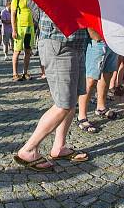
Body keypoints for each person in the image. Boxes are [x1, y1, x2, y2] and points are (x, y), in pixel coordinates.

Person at [13, 11, 90, 171]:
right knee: (63, 104)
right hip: (60, 43)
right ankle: (28, 150)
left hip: (77, 43)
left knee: (72, 98)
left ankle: (59, 147)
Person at [77, 30, 119, 133]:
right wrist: (95, 36)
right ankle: (81, 116)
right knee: (91, 79)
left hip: (112, 40)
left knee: (107, 73)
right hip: (96, 41)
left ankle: (101, 107)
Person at [11, 0, 36, 81]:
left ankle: (25, 73)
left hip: (30, 28)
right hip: (20, 28)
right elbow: (13, 16)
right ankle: (15, 73)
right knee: (17, 51)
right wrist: (14, 30)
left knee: (28, 51)